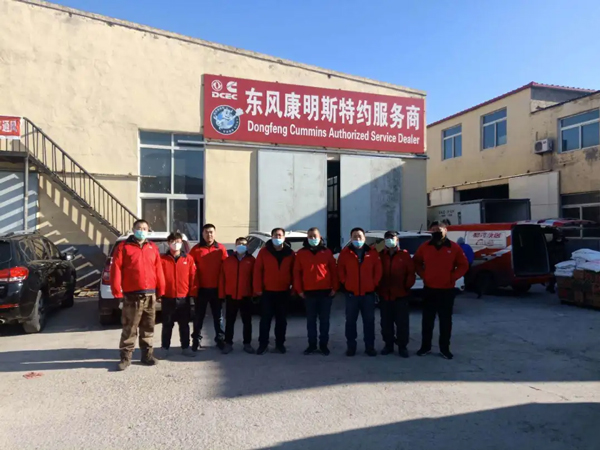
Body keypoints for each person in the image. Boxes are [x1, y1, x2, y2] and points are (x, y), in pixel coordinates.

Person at [110, 219, 165, 371]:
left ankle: (147, 355)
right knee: (130, 327)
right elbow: (116, 269)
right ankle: (125, 357)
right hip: (132, 295)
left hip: (150, 294)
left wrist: (161, 289)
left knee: (148, 327)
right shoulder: (123, 247)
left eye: (144, 228)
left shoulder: (152, 247)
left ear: (148, 231)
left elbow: (158, 269)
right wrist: (117, 290)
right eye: (139, 228)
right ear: (133, 230)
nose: (142, 231)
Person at [413, 221, 469, 360]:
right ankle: (425, 347)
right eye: (433, 230)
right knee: (427, 321)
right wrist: (424, 275)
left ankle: (445, 349)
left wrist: (453, 277)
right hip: (429, 289)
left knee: (445, 322)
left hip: (446, 290)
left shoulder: (454, 247)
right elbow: (417, 262)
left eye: (439, 230)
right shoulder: (425, 247)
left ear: (445, 231)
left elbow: (463, 265)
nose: (436, 232)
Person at [294, 227, 339, 356]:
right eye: (310, 236)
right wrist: (299, 290)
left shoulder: (327, 252)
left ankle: (323, 345)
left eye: (315, 236)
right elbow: (297, 273)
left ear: (320, 238)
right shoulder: (301, 253)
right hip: (309, 293)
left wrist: (335, 288)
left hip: (325, 292)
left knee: (324, 321)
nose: (313, 238)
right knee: (311, 321)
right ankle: (312, 345)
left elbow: (333, 271)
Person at [337, 227, 382, 357]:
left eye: (360, 236)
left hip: (368, 294)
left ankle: (370, 347)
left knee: (369, 322)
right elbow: (340, 270)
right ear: (351, 238)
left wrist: (374, 283)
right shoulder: (345, 253)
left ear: (364, 238)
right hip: (352, 294)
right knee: (350, 322)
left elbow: (378, 270)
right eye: (355, 236)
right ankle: (351, 347)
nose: (357, 239)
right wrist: (345, 282)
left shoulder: (372, 253)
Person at [254, 227, 295, 355]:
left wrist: (294, 288)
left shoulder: (290, 253)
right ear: (271, 237)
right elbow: (257, 271)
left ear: (284, 237)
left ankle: (280, 344)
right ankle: (263, 344)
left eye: (279, 235)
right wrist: (257, 288)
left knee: (281, 320)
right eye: (275, 235)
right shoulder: (264, 252)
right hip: (267, 292)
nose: (277, 238)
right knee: (265, 320)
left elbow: (294, 272)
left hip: (283, 292)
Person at [156, 232, 197, 359]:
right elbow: (158, 277)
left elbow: (193, 277)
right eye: (173, 241)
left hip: (184, 298)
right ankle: (164, 348)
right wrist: (159, 293)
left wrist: (192, 294)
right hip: (168, 297)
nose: (176, 244)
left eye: (178, 241)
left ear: (182, 243)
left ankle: (185, 347)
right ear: (168, 243)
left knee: (184, 324)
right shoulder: (162, 259)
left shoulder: (188, 259)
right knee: (167, 324)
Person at [189, 223, 228, 351]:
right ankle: (196, 339)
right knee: (199, 316)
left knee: (218, 316)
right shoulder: (196, 249)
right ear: (202, 234)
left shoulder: (220, 249)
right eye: (206, 232)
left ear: (215, 234)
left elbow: (227, 267)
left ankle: (220, 339)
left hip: (217, 289)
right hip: (201, 289)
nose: (209, 234)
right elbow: (190, 267)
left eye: (211, 232)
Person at [377, 231, 416, 358]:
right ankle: (388, 345)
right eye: (387, 238)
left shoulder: (404, 255)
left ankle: (402, 346)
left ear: (397, 240)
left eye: (392, 238)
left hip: (401, 295)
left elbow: (411, 273)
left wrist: (406, 286)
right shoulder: (380, 255)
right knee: (386, 323)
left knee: (402, 323)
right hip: (385, 295)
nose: (390, 240)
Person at [219, 237, 256, 354]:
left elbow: (255, 278)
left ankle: (247, 344)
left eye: (244, 244)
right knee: (230, 321)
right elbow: (222, 278)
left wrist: (255, 293)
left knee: (247, 321)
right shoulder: (228, 260)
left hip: (246, 295)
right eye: (239, 244)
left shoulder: (252, 260)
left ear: (247, 246)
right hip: (231, 295)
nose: (241, 246)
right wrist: (222, 294)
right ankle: (228, 343)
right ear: (235, 245)